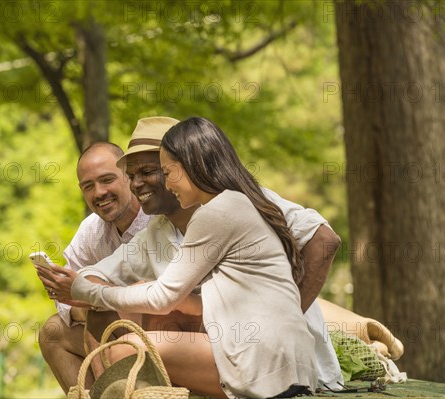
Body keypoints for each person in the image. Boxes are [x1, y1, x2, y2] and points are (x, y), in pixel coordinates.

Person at [46, 117, 341, 398]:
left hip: (268, 358)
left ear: (186, 165)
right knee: (127, 325)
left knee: (131, 347)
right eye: (132, 175)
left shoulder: (231, 205)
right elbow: (107, 275)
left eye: (153, 171)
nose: (137, 185)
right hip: (230, 347)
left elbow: (162, 297)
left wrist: (284, 319)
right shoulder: (159, 231)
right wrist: (86, 288)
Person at [37, 142, 151, 393]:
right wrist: (85, 304)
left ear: (128, 177)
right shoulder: (90, 230)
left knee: (100, 317)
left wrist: (93, 300)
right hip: (110, 330)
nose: (98, 192)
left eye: (106, 180)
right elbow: (67, 300)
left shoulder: (157, 218)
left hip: (162, 327)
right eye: (88, 186)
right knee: (52, 331)